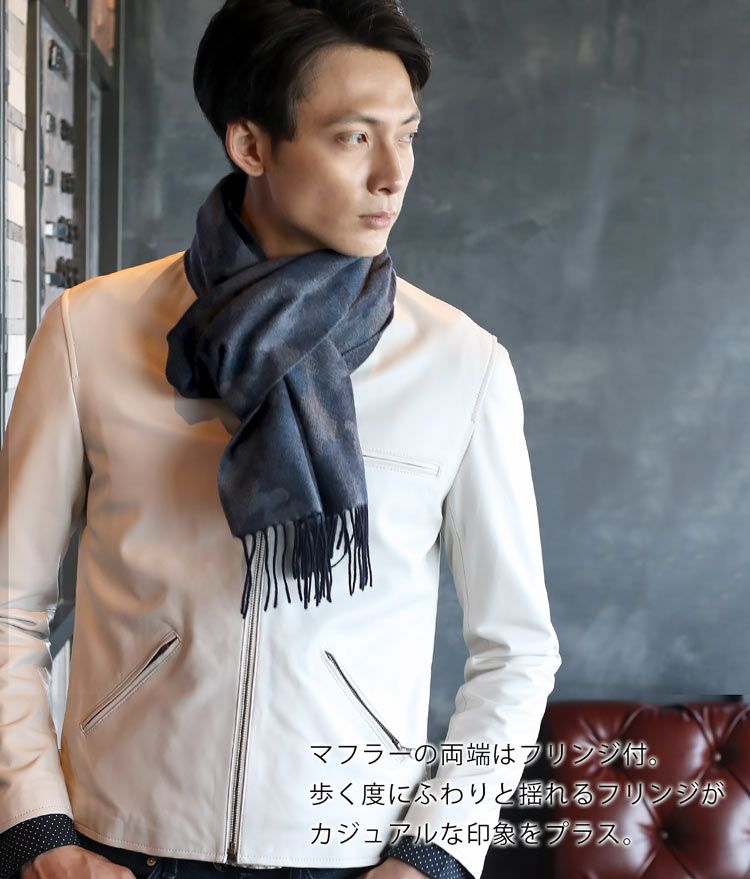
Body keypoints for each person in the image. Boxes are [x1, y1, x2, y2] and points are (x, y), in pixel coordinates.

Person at [0, 2, 562, 878]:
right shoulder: (91, 331)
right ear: (251, 145)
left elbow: (515, 649)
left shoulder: (461, 364)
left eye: (407, 134)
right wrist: (39, 830)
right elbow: (9, 605)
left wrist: (435, 853)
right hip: (121, 843)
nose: (394, 174)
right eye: (353, 137)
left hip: (352, 851)